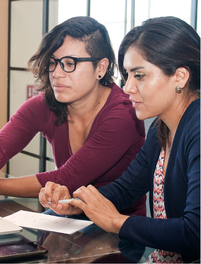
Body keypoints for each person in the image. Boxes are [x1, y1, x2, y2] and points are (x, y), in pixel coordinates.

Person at [0, 16, 146, 220]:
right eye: (53, 63)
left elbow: (66, 177)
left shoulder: (123, 113)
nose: (56, 73)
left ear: (101, 67)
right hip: (65, 217)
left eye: (69, 64)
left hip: (119, 230)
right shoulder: (46, 104)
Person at [40, 16, 200, 262]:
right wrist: (77, 203)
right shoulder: (162, 128)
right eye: (127, 75)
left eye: (140, 75)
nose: (127, 88)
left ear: (179, 77)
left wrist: (116, 221)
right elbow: (126, 189)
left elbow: (195, 233)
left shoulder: (198, 128)